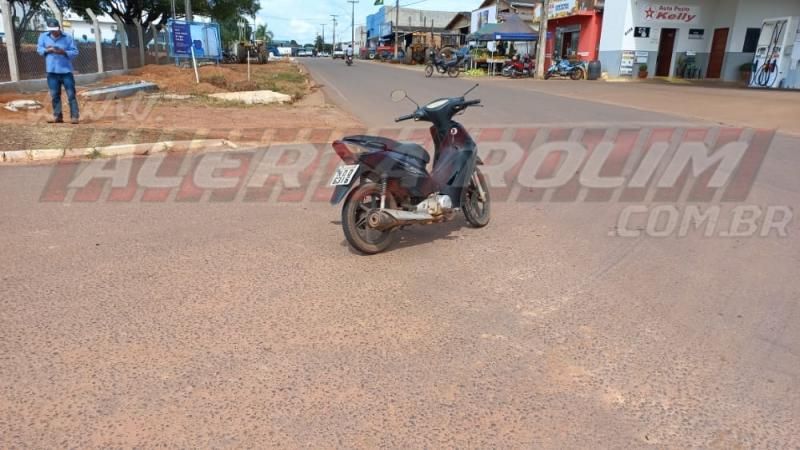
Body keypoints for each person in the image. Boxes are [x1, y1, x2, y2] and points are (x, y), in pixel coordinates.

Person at [37, 19, 80, 124]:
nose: (53, 32)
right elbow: (39, 49)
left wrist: (63, 52)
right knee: (55, 95)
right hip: (51, 72)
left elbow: (75, 52)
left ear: (59, 28)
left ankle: (74, 117)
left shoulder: (68, 38)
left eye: (55, 29)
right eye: (51, 30)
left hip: (66, 72)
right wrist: (47, 50)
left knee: (71, 94)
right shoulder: (43, 37)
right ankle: (58, 116)